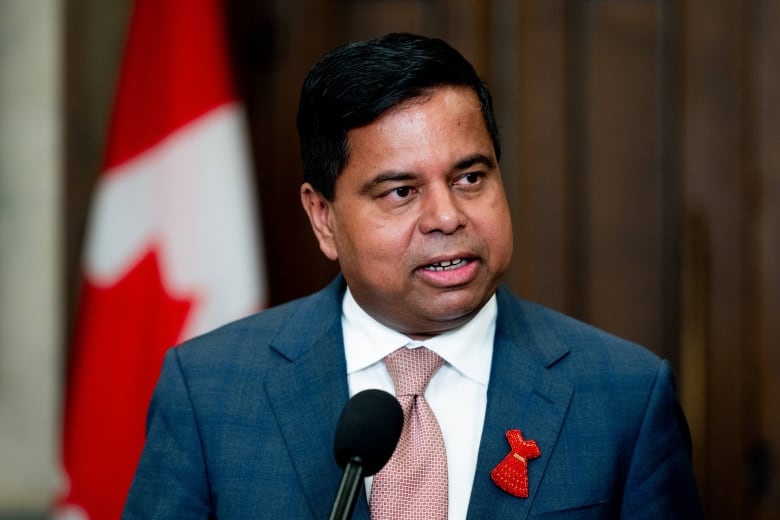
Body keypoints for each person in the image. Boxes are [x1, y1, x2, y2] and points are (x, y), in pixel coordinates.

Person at [124, 32, 702, 518]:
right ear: (322, 218)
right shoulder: (208, 393)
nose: (448, 217)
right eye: (401, 192)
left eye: (470, 178)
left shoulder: (625, 397)